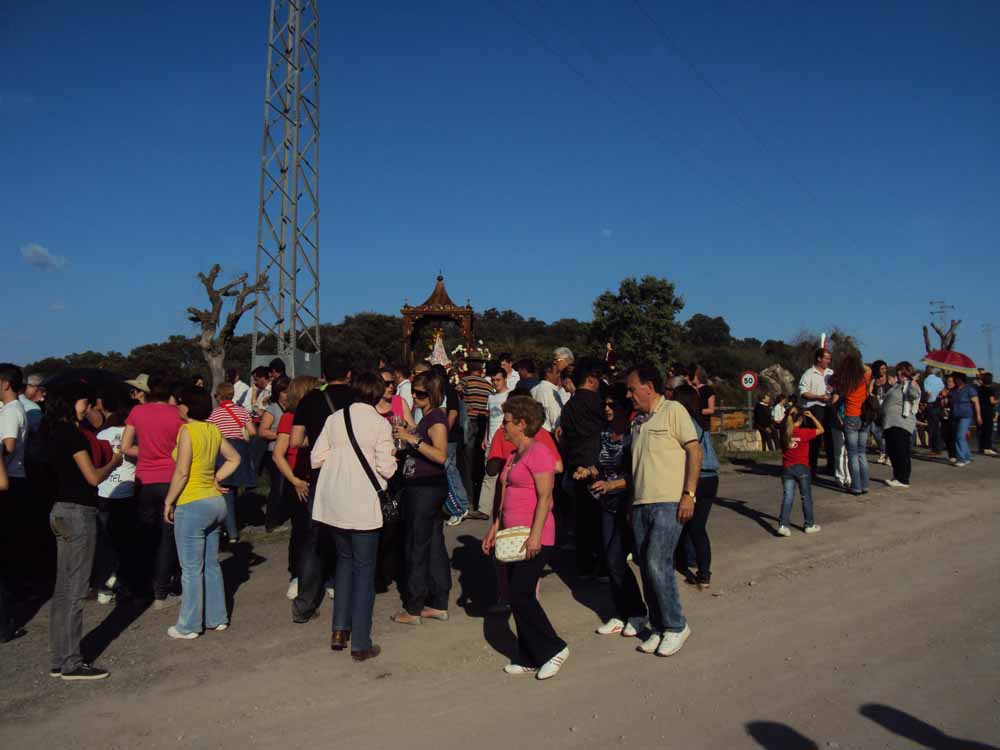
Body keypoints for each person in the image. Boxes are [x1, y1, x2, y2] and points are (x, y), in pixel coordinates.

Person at [482, 396, 569, 679]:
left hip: (535, 535)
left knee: (521, 593)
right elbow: (505, 494)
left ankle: (554, 648)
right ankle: (530, 655)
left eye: (506, 422)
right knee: (516, 595)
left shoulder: (539, 452)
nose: (502, 427)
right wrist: (495, 526)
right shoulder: (513, 455)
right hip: (511, 535)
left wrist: (534, 537)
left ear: (521, 423)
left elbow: (545, 498)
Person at [311, 373, 396, 661]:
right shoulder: (379, 424)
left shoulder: (335, 419)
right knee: (364, 572)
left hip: (333, 501)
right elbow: (387, 468)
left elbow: (316, 457)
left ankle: (339, 629)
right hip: (363, 503)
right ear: (376, 394)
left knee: (343, 565)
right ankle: (360, 642)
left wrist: (340, 459)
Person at [43, 383, 123, 679]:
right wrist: (114, 461)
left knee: (63, 590)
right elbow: (92, 477)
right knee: (76, 590)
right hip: (78, 512)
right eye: (82, 401)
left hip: (59, 510)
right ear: (68, 403)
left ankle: (59, 656)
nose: (86, 406)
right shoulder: (71, 434)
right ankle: (72, 662)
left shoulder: (51, 432)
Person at [625, 363, 700, 657]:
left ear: (649, 386)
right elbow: (636, 469)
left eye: (632, 389)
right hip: (641, 503)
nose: (629, 395)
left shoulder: (674, 411)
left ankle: (676, 625)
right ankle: (658, 626)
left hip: (669, 501)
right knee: (645, 565)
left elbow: (694, 450)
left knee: (658, 562)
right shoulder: (637, 422)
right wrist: (632, 503)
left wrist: (689, 494)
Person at [162, 386, 241, 639]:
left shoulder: (187, 430)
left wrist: (168, 501)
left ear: (188, 407)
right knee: (210, 564)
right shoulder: (212, 429)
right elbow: (235, 458)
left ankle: (189, 625)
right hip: (215, 502)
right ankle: (217, 618)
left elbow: (182, 471)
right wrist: (216, 477)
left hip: (192, 503)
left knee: (191, 569)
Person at [289, 355, 355, 622]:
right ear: (349, 374)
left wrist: (318, 442)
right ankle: (346, 597)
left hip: (321, 475)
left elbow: (295, 440)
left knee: (313, 540)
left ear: (324, 375)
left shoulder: (311, 399)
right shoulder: (357, 398)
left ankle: (304, 605)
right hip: (351, 475)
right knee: (348, 537)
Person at [582, 384, 647, 633]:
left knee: (620, 558)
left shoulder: (634, 434)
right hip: (607, 503)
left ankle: (638, 612)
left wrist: (612, 485)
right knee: (611, 561)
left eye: (612, 405)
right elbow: (601, 465)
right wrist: (587, 471)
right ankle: (622, 612)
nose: (607, 409)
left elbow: (637, 474)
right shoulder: (605, 433)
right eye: (605, 405)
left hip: (628, 503)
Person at [391, 369, 451, 625]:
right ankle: (437, 603)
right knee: (433, 544)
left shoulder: (437, 417)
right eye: (414, 392)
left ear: (433, 394)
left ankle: (414, 606)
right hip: (425, 487)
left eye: (421, 393)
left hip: (425, 488)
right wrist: (410, 430)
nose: (415, 397)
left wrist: (409, 440)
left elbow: (440, 455)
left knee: (416, 545)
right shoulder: (428, 416)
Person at [121, 374, 184, 608]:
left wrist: (146, 451)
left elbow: (126, 446)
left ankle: (143, 587)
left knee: (147, 534)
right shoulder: (177, 414)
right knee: (168, 536)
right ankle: (161, 590)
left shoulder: (137, 413)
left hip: (143, 479)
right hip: (170, 479)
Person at [559, 357, 607, 578]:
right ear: (590, 379)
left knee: (583, 519)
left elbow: (566, 437)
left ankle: (584, 565)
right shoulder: (598, 403)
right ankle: (604, 564)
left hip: (576, 464)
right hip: (598, 464)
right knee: (601, 518)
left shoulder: (568, 407)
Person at [271, 375, 318, 599]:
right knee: (301, 532)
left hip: (317, 476)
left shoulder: (320, 417)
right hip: (298, 479)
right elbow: (278, 455)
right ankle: (297, 575)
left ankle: (321, 575)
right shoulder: (289, 418)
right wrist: (294, 481)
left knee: (320, 530)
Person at [671, 385, 721, 590]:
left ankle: (701, 572)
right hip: (712, 478)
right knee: (696, 526)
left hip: (697, 478)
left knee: (691, 526)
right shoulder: (701, 423)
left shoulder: (684, 423)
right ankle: (701, 571)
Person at [208, 382, 257, 541]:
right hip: (240, 449)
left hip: (223, 452)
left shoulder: (215, 413)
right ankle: (233, 523)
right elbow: (252, 431)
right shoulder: (241, 411)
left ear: (219, 395)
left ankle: (231, 532)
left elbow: (210, 433)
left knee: (225, 491)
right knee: (235, 489)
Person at [777, 405, 824, 536]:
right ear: (801, 419)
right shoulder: (804, 433)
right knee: (806, 497)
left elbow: (784, 423)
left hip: (787, 468)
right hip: (802, 467)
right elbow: (821, 429)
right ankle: (809, 524)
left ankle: (783, 525)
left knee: (788, 497)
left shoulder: (785, 433)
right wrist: (813, 417)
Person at [832, 354, 872, 495]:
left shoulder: (846, 382)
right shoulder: (864, 378)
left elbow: (835, 394)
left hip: (851, 416)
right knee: (862, 453)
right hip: (864, 416)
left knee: (853, 453)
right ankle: (865, 484)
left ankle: (856, 486)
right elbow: (868, 369)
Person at [476, 363, 509, 520]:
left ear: (505, 379)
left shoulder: (510, 396)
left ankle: (503, 507)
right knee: (489, 474)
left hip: (506, 441)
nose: (496, 383)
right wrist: (485, 437)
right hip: (491, 441)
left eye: (498, 380)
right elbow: (490, 418)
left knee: (506, 475)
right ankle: (484, 509)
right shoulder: (491, 397)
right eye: (493, 380)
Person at [881, 362, 922, 487]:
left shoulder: (910, 385)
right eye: (898, 371)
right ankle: (897, 475)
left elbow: (914, 394)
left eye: (901, 371)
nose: (898, 373)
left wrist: (912, 381)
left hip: (902, 422)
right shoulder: (896, 385)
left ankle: (903, 479)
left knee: (901, 450)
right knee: (892, 451)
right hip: (890, 422)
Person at [460, 359, 493, 511]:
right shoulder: (488, 385)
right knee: (479, 462)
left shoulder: (465, 381)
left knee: (467, 462)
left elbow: (458, 392)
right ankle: (480, 498)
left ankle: (468, 499)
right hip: (483, 423)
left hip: (468, 422)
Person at [259, 375, 290, 530]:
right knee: (278, 486)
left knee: (287, 485)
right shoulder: (272, 409)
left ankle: (284, 514)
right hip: (274, 453)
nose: (287, 394)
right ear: (278, 392)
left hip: (289, 452)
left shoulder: (293, 407)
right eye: (284, 391)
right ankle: (271, 520)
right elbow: (262, 431)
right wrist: (281, 435)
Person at [798, 349, 834, 476]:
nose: (828, 361)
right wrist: (818, 397)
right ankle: (811, 469)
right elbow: (804, 392)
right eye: (826, 358)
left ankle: (831, 467)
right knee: (815, 440)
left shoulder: (831, 373)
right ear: (819, 358)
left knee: (830, 438)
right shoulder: (808, 374)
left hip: (829, 408)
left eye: (829, 359)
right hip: (814, 408)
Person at [948, 372, 981, 466]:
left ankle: (962, 458)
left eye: (956, 378)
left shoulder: (969, 389)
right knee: (959, 437)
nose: (954, 380)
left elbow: (976, 403)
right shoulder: (954, 390)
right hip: (955, 415)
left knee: (960, 436)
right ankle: (968, 456)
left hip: (966, 415)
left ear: (961, 379)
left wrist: (978, 416)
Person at [531, 361, 564, 432]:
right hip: (550, 434)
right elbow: (555, 416)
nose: (559, 375)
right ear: (548, 374)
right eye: (557, 372)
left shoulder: (533, 390)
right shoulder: (551, 391)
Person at [869, 360, 889, 464]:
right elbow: (869, 392)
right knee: (874, 429)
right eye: (881, 368)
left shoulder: (890, 379)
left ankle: (888, 455)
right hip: (876, 409)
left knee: (886, 431)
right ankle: (883, 451)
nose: (883, 370)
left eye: (885, 368)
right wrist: (873, 397)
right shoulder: (873, 380)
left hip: (887, 409)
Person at [923, 368, 945, 454]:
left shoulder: (927, 380)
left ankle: (935, 449)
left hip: (931, 404)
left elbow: (928, 393)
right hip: (939, 403)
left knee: (932, 428)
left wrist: (925, 402)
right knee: (938, 426)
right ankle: (940, 446)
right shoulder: (939, 379)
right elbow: (943, 390)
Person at [687, 365, 716, 432]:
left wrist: (696, 411)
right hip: (692, 423)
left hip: (703, 425)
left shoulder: (708, 390)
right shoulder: (691, 389)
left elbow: (711, 410)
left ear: (697, 376)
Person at [976, 373, 996, 455]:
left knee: (982, 430)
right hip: (988, 411)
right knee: (988, 430)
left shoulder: (979, 389)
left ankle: (981, 447)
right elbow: (992, 401)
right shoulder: (991, 389)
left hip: (981, 410)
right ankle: (987, 448)